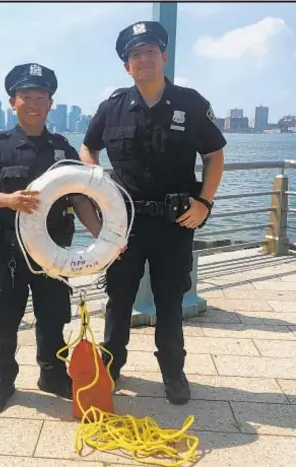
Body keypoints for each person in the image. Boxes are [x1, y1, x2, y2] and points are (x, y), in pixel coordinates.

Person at [79, 21, 226, 405]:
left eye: (150, 52)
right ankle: (110, 367)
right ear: (126, 66)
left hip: (175, 223)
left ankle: (173, 372)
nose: (143, 60)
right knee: (119, 299)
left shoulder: (191, 104)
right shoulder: (112, 107)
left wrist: (204, 203)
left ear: (163, 56)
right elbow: (87, 149)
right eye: (134, 55)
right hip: (124, 224)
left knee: (169, 302)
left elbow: (214, 156)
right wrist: (97, 188)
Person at [0, 63, 95, 415]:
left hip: (53, 251)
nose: (33, 103)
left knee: (54, 316)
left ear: (51, 103)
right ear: (13, 102)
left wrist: (105, 237)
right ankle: (2, 381)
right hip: (8, 251)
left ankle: (52, 376)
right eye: (26, 97)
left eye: (40, 97)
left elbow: (80, 197)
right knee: (5, 319)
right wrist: (7, 200)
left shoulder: (63, 149)